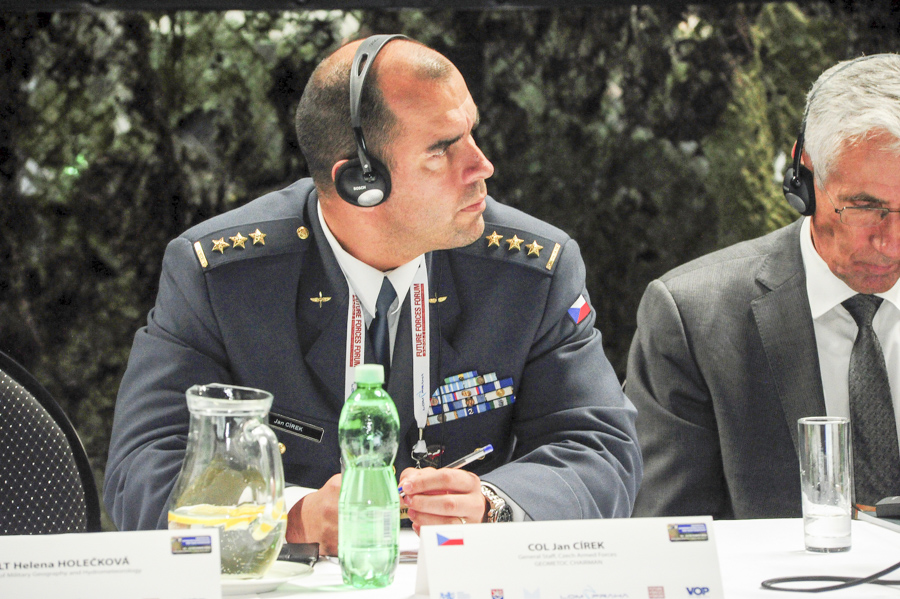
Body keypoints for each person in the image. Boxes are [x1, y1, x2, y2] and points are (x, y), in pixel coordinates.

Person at [104, 35, 642, 552]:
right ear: (361, 183)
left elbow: (600, 446)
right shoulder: (222, 277)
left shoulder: (531, 271)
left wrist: (493, 506)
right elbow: (141, 469)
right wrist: (289, 519)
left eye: (471, 133)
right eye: (442, 149)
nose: (482, 165)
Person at [627, 53, 900, 519]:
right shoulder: (692, 319)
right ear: (804, 178)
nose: (891, 242)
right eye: (864, 207)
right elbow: (672, 536)